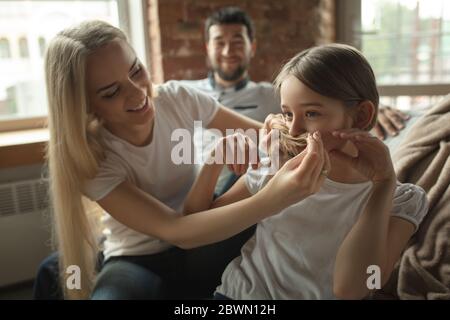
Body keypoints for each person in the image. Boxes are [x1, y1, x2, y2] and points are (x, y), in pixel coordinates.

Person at [34, 20, 330, 300]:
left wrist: (338, 130)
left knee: (255, 168)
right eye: (112, 92)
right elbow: (178, 232)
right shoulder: (90, 157)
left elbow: (268, 137)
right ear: (85, 105)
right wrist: (275, 196)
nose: (138, 93)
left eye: (136, 70)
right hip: (138, 258)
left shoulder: (176, 98)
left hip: (203, 234)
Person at [183, 44, 429, 299]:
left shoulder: (402, 201)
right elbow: (194, 229)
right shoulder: (276, 169)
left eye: (311, 113)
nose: (294, 129)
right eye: (288, 114)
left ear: (360, 116)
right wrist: (215, 159)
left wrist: (383, 184)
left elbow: (354, 288)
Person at [181, 6, 410, 195]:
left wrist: (376, 110)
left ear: (252, 47)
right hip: (198, 182)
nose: (228, 50)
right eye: (219, 42)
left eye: (238, 42)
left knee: (264, 153)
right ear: (207, 48)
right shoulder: (188, 94)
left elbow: (325, 102)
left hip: (242, 175)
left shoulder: (269, 93)